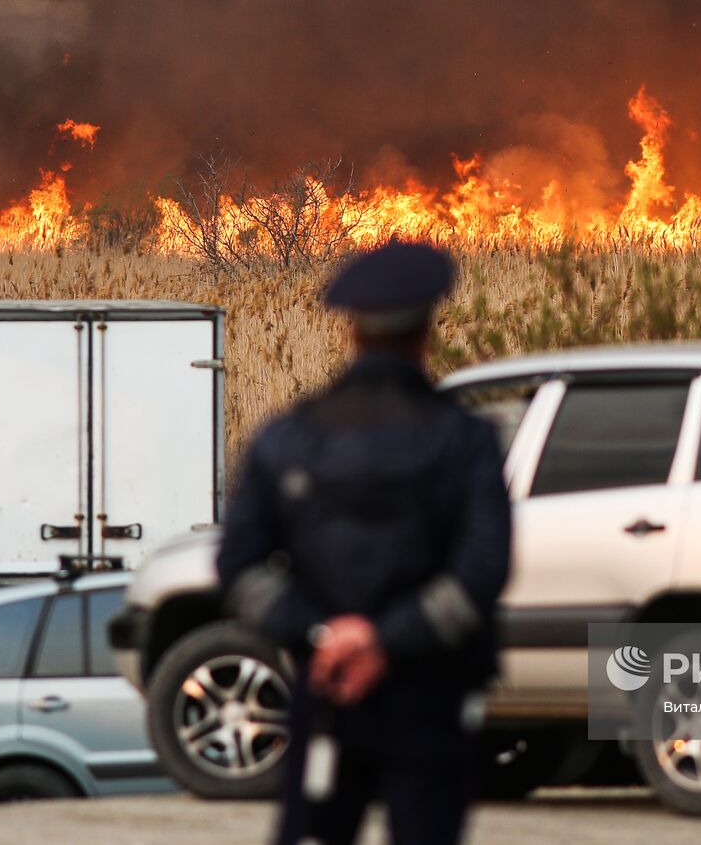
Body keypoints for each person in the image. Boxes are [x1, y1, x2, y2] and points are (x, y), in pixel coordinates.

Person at [216, 241, 513, 845]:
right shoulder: (465, 441)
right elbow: (483, 569)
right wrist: (384, 641)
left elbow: (239, 567)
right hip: (429, 698)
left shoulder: (287, 438)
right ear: (428, 328)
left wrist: (324, 637)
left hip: (326, 691)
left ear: (350, 329)